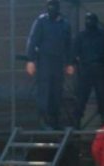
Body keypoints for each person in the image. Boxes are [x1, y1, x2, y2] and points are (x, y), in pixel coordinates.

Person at [25, 0, 74, 129]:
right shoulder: (41, 21)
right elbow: (33, 40)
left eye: (54, 5)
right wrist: (30, 60)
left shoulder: (65, 23)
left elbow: (69, 45)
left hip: (58, 62)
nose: (52, 8)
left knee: (57, 91)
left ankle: (55, 121)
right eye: (50, 5)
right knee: (45, 90)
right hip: (44, 61)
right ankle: (44, 121)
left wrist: (69, 63)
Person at [72, 12, 104, 127]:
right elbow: (74, 53)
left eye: (91, 19)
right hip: (85, 69)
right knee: (81, 97)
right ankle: (76, 122)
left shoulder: (103, 35)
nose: (89, 22)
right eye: (87, 19)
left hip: (99, 68)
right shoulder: (81, 36)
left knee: (102, 97)